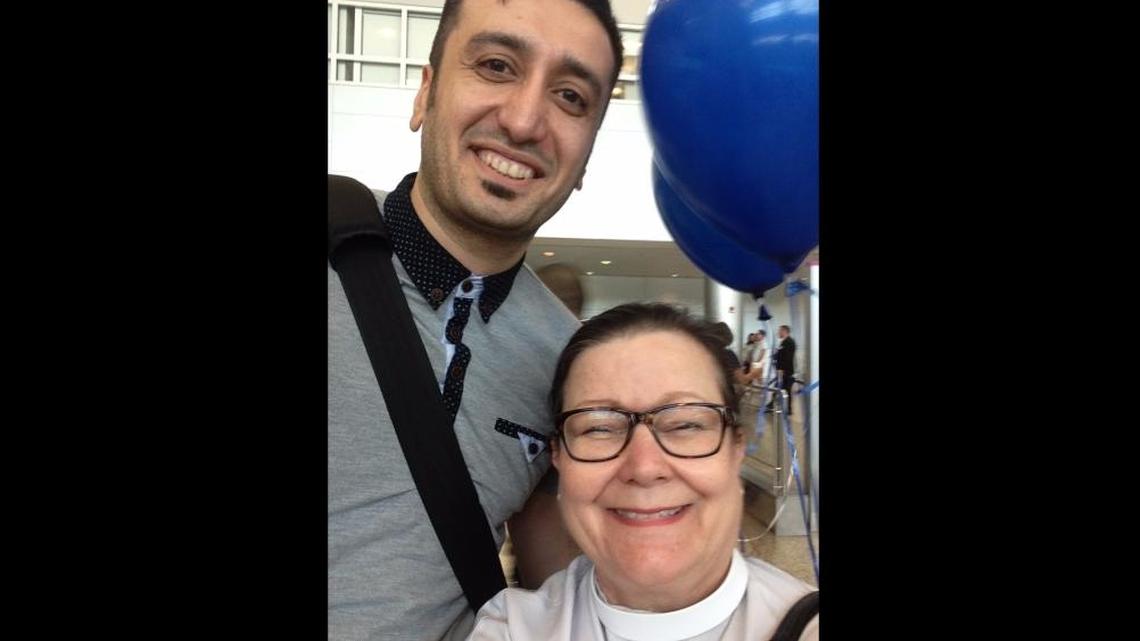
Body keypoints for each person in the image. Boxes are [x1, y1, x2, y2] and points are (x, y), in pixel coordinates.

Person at [328, 1, 624, 639]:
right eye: (496, 65)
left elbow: (557, 593)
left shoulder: (570, 367)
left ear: (586, 159)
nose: (523, 121)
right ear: (426, 92)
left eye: (570, 97)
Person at [468, 303, 818, 640]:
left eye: (685, 424)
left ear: (736, 447)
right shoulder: (513, 628)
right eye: (599, 428)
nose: (645, 467)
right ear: (558, 456)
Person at [769, 325, 797, 416]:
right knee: (778, 388)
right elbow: (780, 355)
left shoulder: (789, 342)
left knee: (786, 390)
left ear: (784, 331)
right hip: (782, 371)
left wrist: (782, 369)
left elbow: (788, 358)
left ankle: (788, 409)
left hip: (786, 372)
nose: (778, 332)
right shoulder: (784, 342)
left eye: (780, 331)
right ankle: (772, 405)